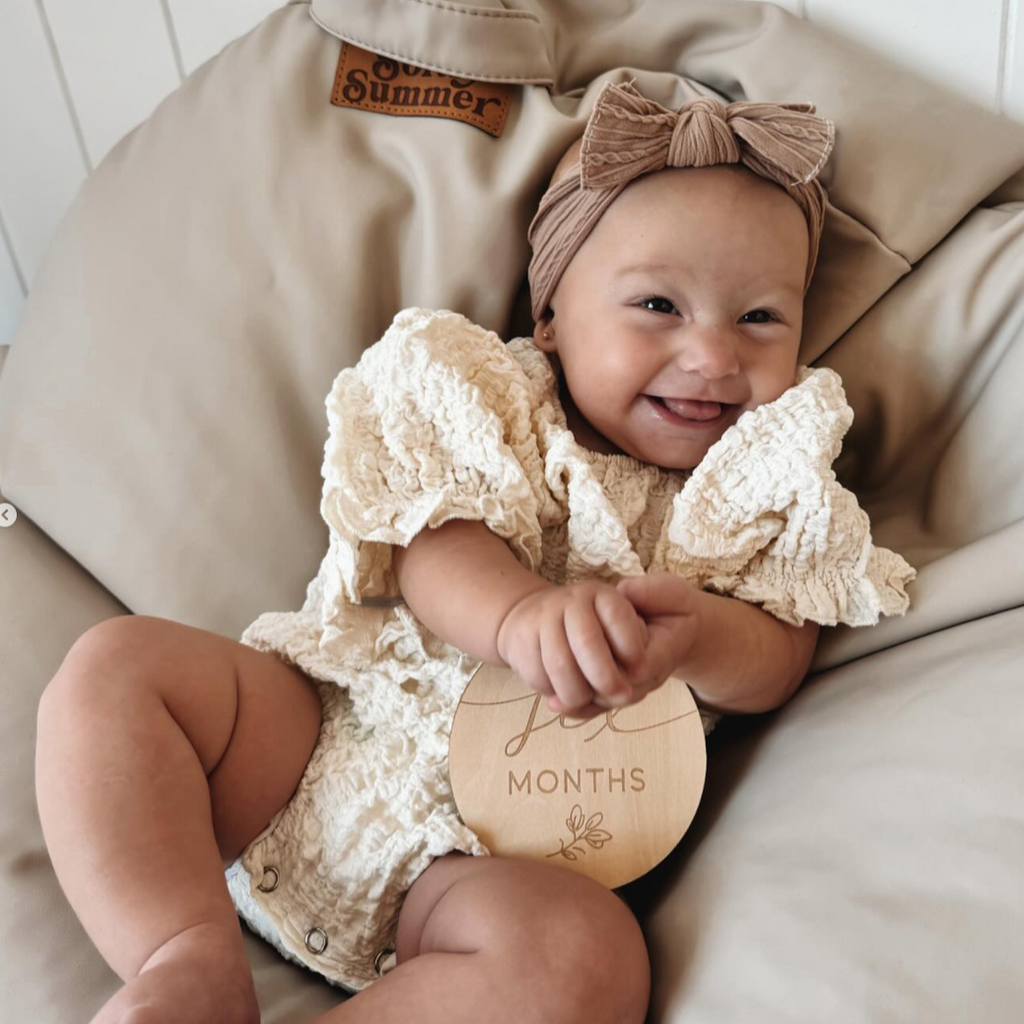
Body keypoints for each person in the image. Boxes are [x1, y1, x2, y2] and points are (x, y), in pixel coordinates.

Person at [34, 80, 916, 1024]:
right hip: (312, 737)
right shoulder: (490, 399)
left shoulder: (760, 481)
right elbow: (426, 546)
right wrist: (518, 614)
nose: (710, 356)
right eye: (659, 304)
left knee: (587, 960)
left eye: (759, 319)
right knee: (116, 670)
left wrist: (700, 639)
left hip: (488, 870)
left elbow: (780, 655)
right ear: (550, 320)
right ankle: (183, 956)